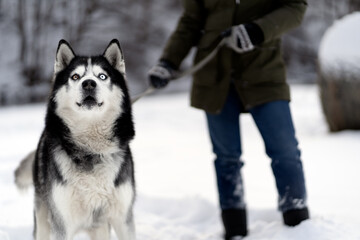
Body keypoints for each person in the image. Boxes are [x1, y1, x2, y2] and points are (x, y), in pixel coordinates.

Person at [148, 1, 309, 239]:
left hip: (264, 71)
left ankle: (299, 226)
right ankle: (234, 230)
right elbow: (190, 22)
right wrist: (168, 62)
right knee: (226, 158)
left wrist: (258, 29)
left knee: (285, 150)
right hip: (214, 75)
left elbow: (295, 7)